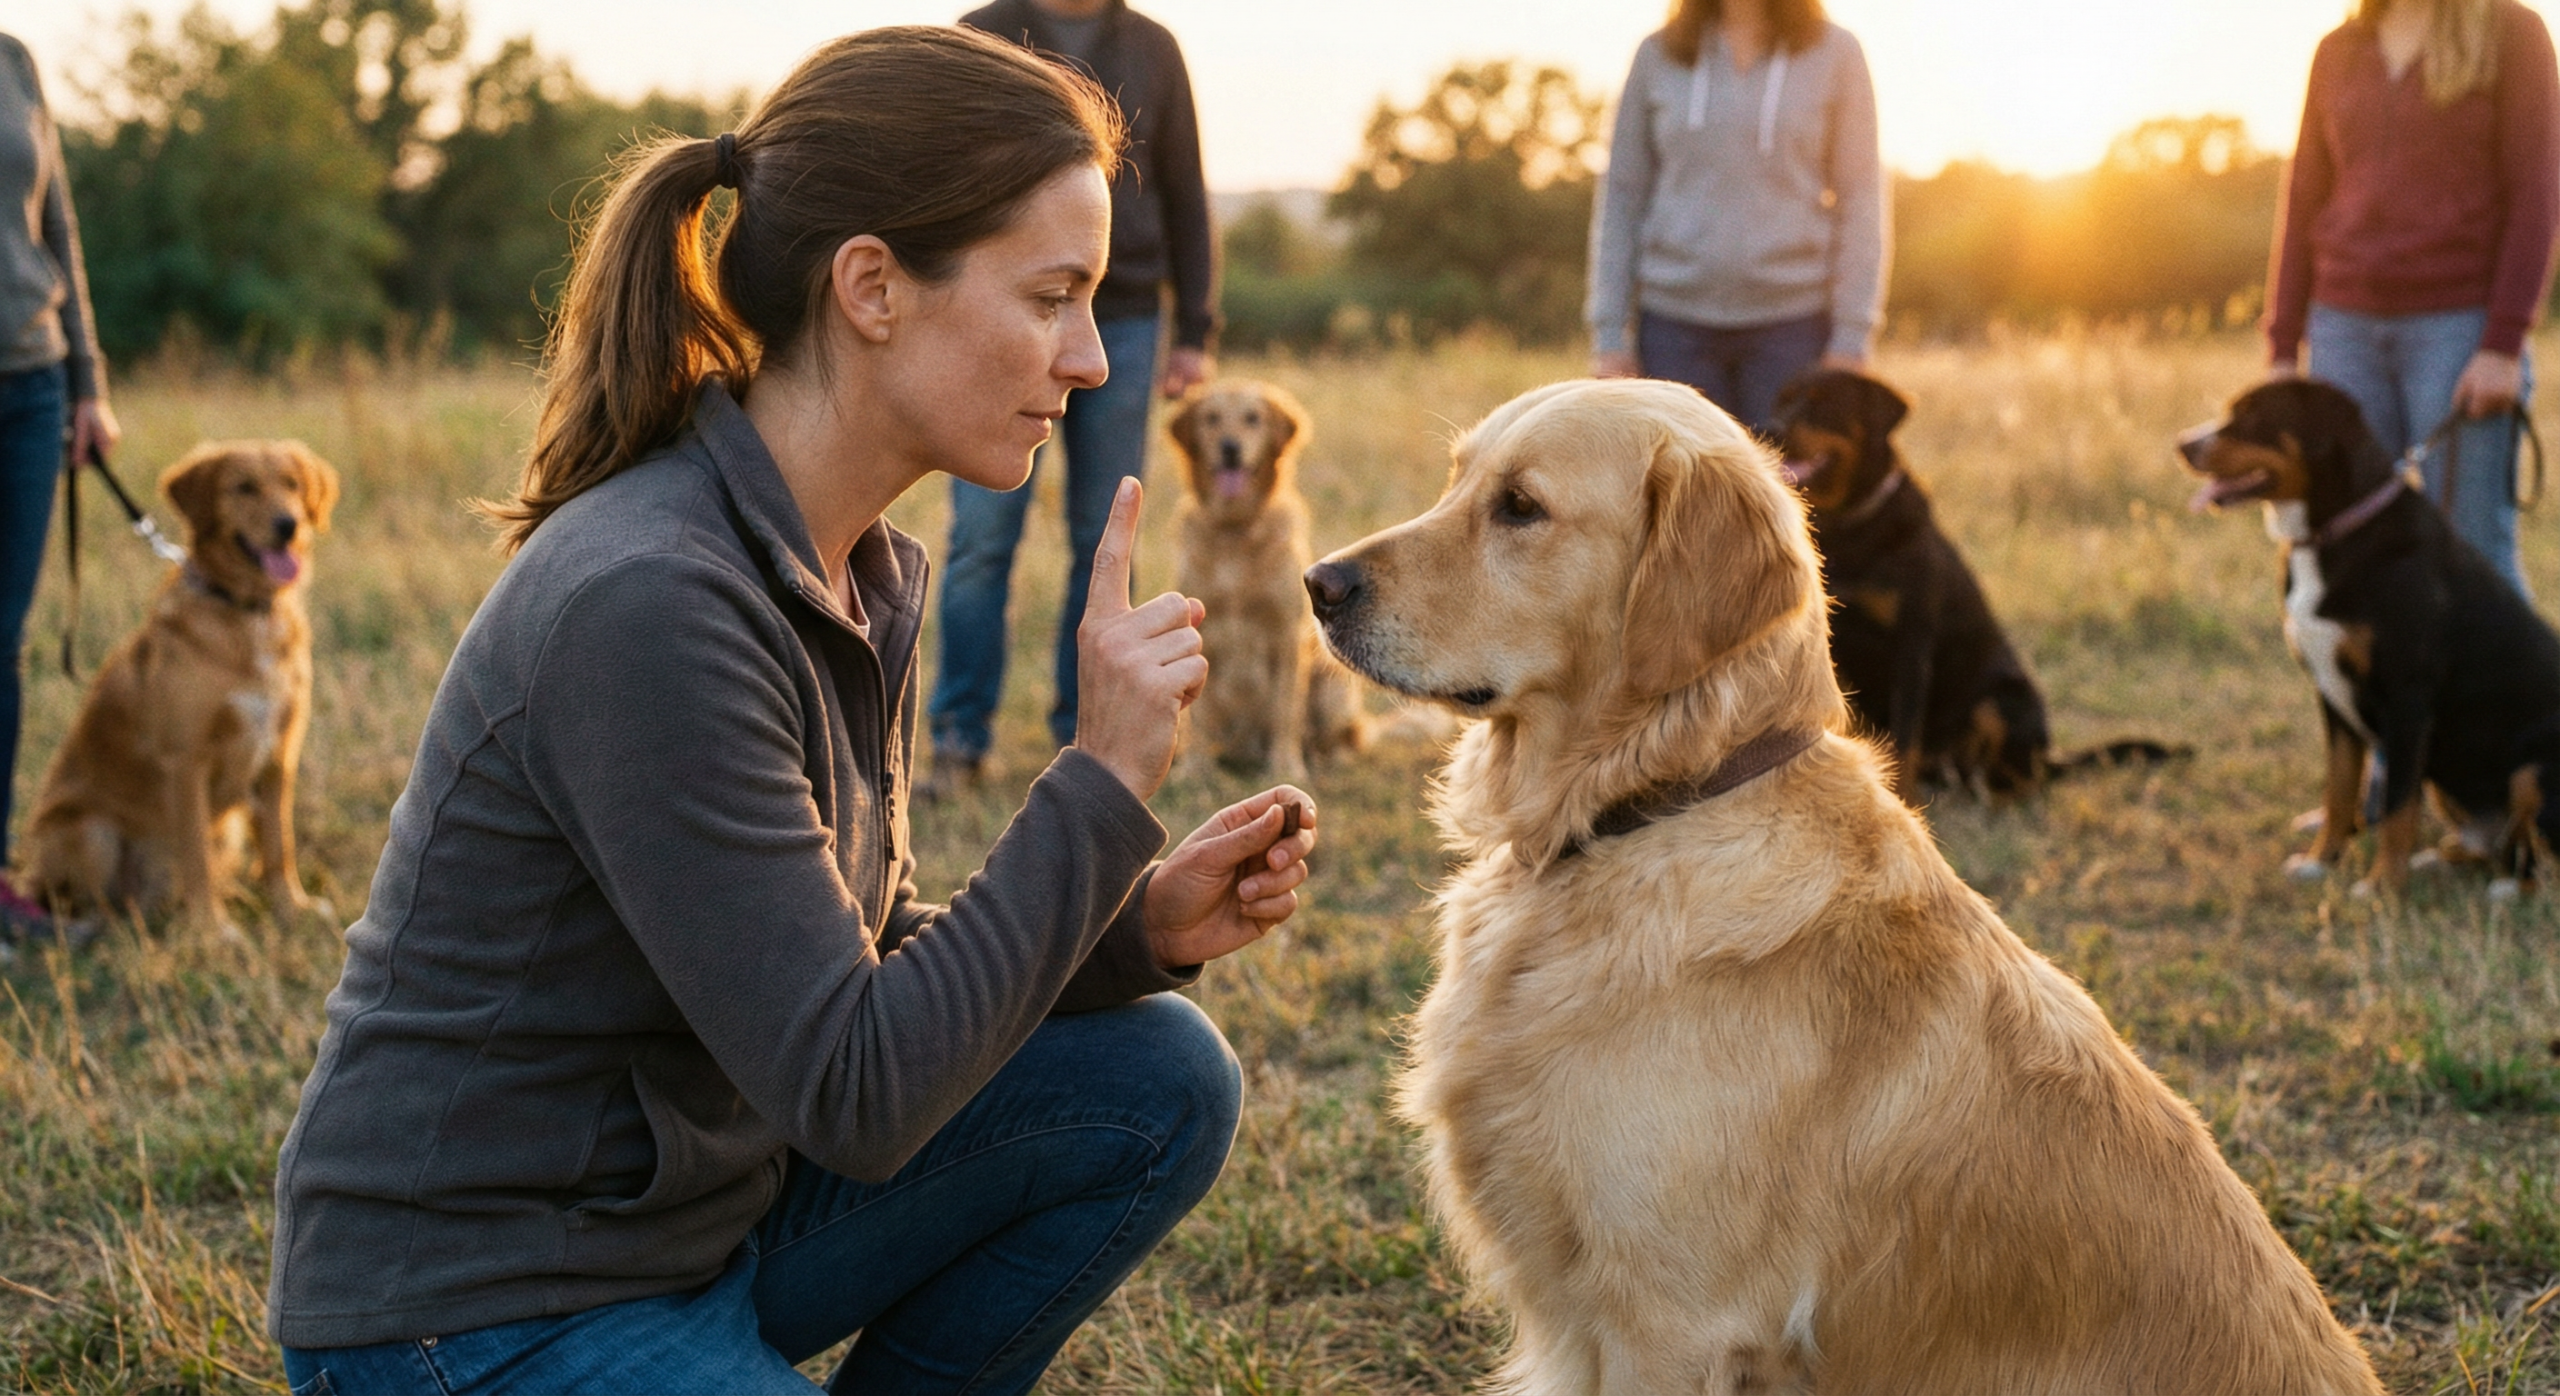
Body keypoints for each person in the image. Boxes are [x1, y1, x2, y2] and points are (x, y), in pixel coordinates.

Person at [268, 28, 1314, 1394]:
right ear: (872, 286)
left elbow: (855, 963)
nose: (1090, 360)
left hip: (688, 1229)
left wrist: (1136, 927)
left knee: (1156, 1074)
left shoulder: (850, 565)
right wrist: (1099, 781)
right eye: (1050, 297)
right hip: (475, 1308)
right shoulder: (653, 598)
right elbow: (859, 1092)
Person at [928, 0, 1216, 794]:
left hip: (1126, 320)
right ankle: (958, 738)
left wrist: (1195, 330)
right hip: (1005, 310)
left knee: (1104, 539)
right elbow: (937, 181)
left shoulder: (1154, 47)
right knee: (981, 536)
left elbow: (1186, 191)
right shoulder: (982, 34)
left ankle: (1085, 742)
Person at [2267, 0, 2560, 595]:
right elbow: (2303, 197)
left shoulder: (2513, 34)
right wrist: (2282, 348)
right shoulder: (2338, 50)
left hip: (2459, 330)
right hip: (2342, 330)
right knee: (2351, 552)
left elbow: (2536, 194)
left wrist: (2503, 344)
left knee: (2474, 555)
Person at [1587, 0, 1887, 435]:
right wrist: (1610, 336)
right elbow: (1622, 197)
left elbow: (1861, 198)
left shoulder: (1836, 53)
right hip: (1672, 330)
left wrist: (1852, 338)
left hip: (1794, 329)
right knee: (1683, 480)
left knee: (1782, 479)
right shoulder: (1657, 53)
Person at [0, 33, 119, 937]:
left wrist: (87, 382)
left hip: (32, 385)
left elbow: (59, 229)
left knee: (2, 644)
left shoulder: (14, 60)